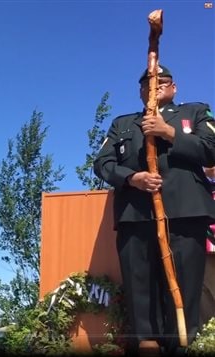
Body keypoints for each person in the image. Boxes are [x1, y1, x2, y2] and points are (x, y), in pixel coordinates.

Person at [93, 64, 215, 354]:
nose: (155, 85)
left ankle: (181, 345)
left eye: (163, 81)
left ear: (174, 88)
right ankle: (146, 344)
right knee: (140, 288)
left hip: (186, 215)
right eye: (148, 82)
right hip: (136, 216)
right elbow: (102, 163)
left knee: (184, 288)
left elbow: (212, 149)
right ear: (139, 91)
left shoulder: (195, 113)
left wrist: (169, 132)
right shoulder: (122, 124)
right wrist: (131, 178)